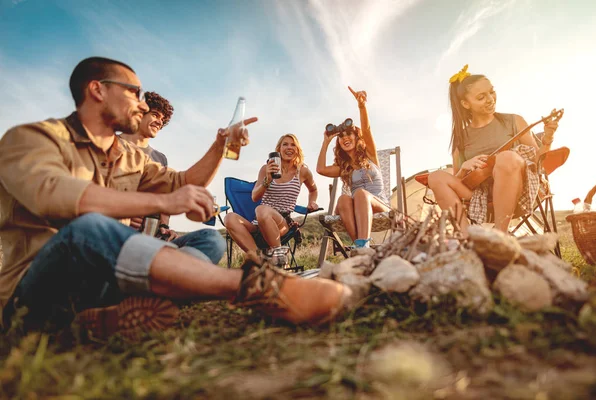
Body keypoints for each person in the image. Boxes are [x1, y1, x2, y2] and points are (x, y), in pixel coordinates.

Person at [0, 57, 350, 338]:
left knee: (208, 240)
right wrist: (164, 203)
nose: (141, 104)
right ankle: (259, 288)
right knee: (88, 228)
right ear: (97, 90)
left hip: (105, 280)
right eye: (134, 92)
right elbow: (57, 196)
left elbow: (183, 181)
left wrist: (220, 146)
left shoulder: (130, 158)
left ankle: (96, 317)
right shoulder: (32, 139)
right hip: (36, 290)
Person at [427, 64, 560, 234]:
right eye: (481, 97)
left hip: (516, 190)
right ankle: (467, 238)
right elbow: (457, 180)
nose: (490, 99)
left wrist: (548, 137)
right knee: (436, 177)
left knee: (507, 157)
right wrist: (465, 167)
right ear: (466, 104)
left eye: (492, 91)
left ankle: (499, 236)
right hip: (478, 196)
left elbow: (539, 162)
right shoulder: (460, 139)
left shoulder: (514, 121)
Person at [224, 134, 319, 265]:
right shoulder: (266, 169)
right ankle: (259, 260)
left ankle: (279, 258)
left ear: (297, 150)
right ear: (278, 149)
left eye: (293, 145)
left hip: (282, 223)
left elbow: (313, 189)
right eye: (285, 144)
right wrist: (268, 179)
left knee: (262, 210)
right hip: (259, 223)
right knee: (229, 218)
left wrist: (311, 202)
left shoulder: (302, 171)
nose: (289, 147)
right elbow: (254, 196)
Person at [316, 87, 390, 248]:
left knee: (361, 194)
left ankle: (363, 245)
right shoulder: (344, 167)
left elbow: (367, 130)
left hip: (379, 205)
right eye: (341, 137)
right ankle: (361, 246)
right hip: (356, 210)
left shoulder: (370, 155)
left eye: (349, 134)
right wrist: (326, 142)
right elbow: (320, 169)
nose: (345, 138)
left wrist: (361, 106)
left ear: (357, 138)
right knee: (343, 198)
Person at [120, 91, 180, 242]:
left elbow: (164, 198)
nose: (159, 122)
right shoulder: (110, 144)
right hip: (116, 229)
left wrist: (164, 227)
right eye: (155, 114)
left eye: (163, 119)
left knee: (210, 239)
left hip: (152, 232)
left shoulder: (160, 158)